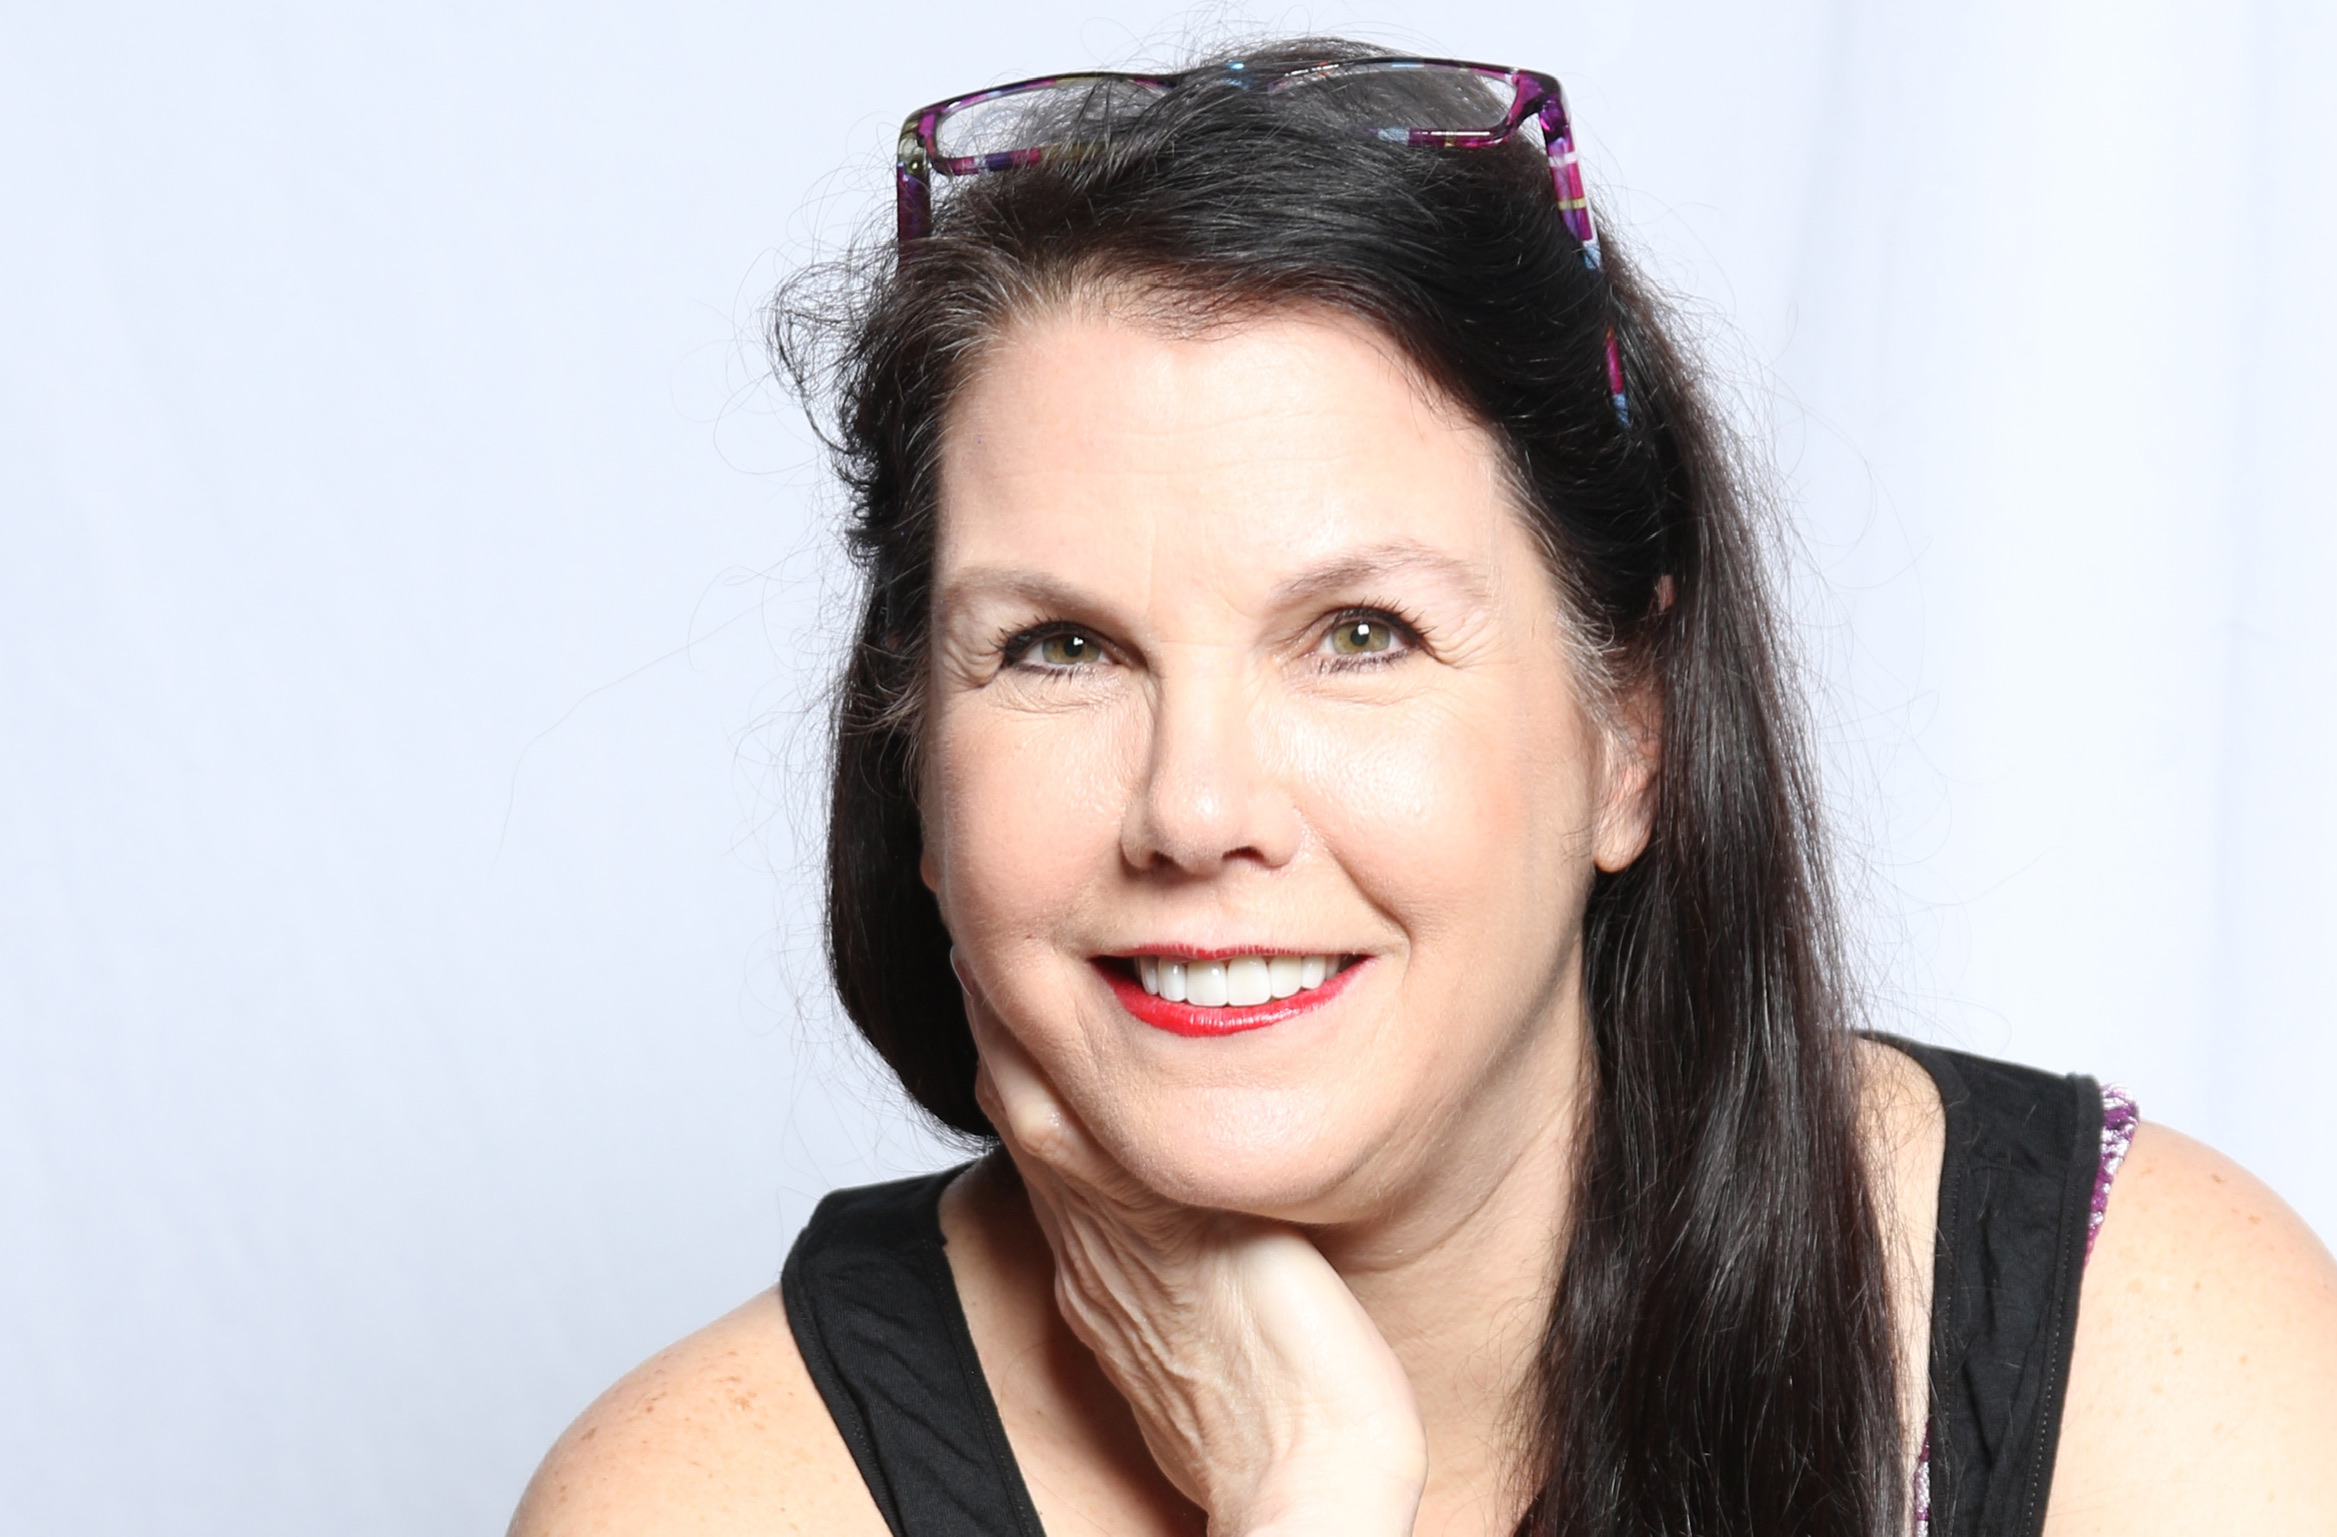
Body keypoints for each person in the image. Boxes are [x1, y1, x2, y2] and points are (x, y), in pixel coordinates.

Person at [509, 40, 2337, 1537]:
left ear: (1629, 730)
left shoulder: (2144, 1341)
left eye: (1358, 633)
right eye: (1060, 647)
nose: (1194, 808)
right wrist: (1308, 1497)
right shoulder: (707, 1499)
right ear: (914, 759)